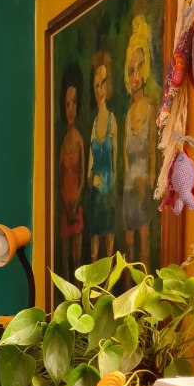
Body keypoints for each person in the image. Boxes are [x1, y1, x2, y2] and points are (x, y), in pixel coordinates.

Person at [121, 15, 157, 266]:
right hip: (129, 188)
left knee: (144, 240)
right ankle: (126, 286)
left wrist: (150, 181)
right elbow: (125, 153)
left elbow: (153, 151)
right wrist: (127, 178)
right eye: (131, 69)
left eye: (140, 67)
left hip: (144, 185)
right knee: (128, 244)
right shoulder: (127, 115)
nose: (136, 75)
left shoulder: (151, 109)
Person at [86, 49, 117, 261]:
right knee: (94, 252)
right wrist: (91, 178)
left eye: (103, 83)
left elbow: (115, 163)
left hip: (108, 195)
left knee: (109, 250)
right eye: (97, 85)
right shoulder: (94, 124)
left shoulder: (112, 121)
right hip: (95, 196)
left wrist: (110, 187)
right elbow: (90, 165)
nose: (100, 90)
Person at [58, 63, 85, 282]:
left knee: (77, 258)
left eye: (74, 102)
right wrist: (66, 206)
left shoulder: (79, 141)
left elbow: (82, 176)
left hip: (77, 205)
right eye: (67, 104)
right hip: (65, 206)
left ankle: (77, 293)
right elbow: (59, 180)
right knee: (65, 255)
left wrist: (75, 205)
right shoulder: (63, 144)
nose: (70, 109)